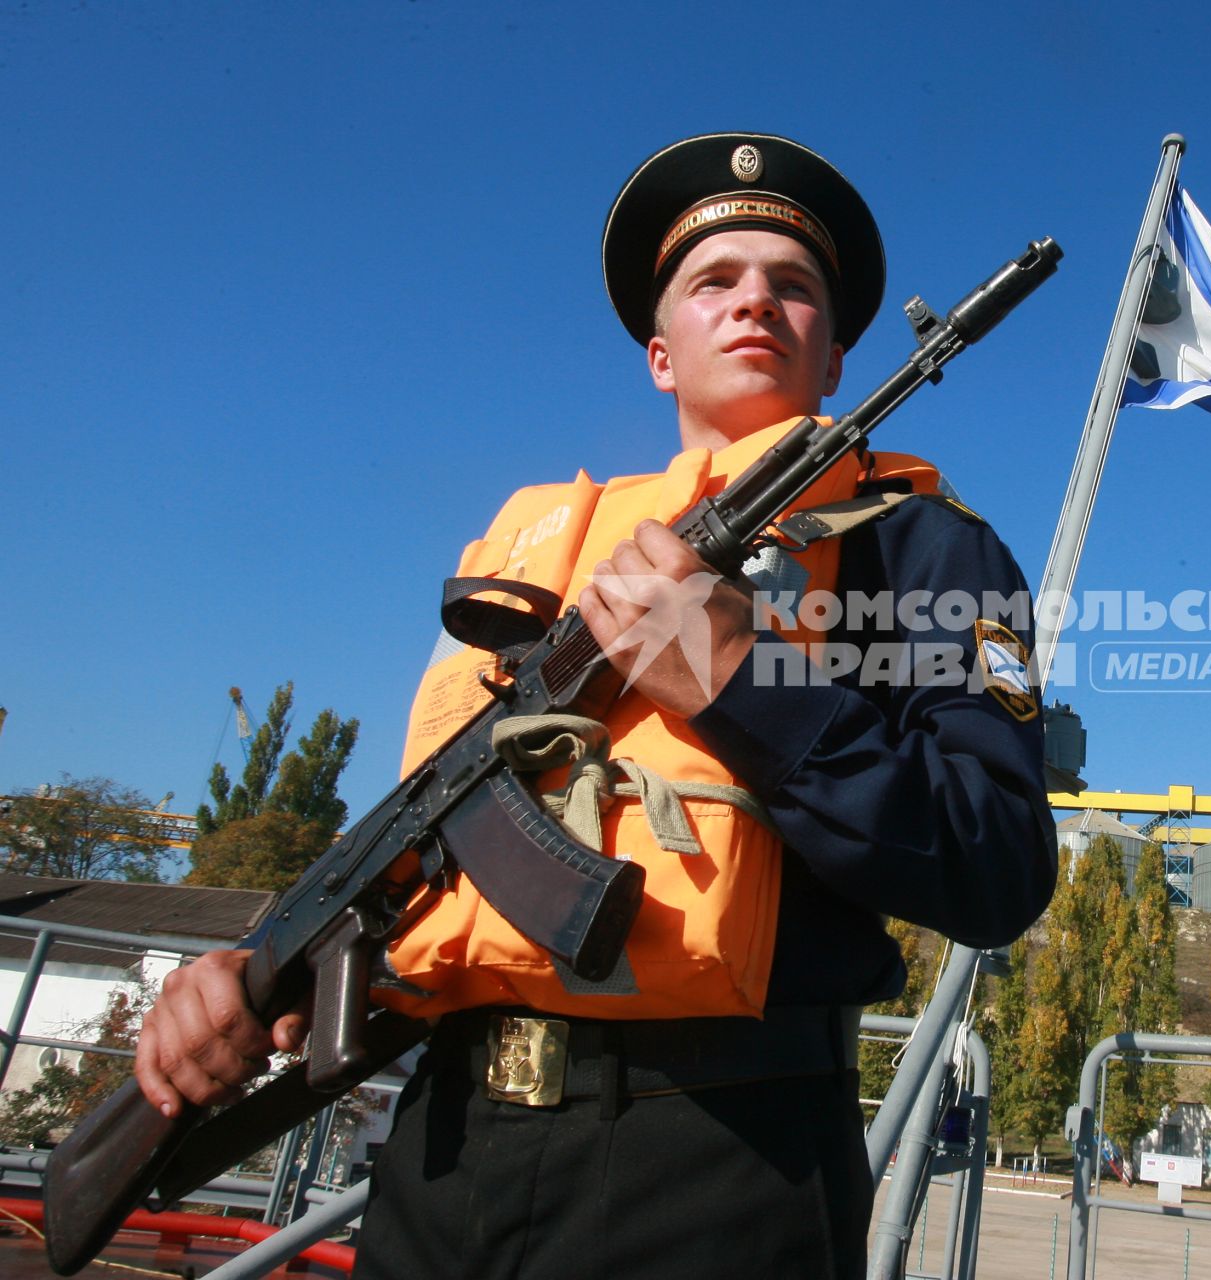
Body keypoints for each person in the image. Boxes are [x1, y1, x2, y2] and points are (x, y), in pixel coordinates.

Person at [133, 132, 1057, 1278]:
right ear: (661, 355)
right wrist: (248, 969)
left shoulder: (923, 549)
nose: (756, 300)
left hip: (724, 1156)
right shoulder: (539, 557)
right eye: (715, 281)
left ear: (838, 355)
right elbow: (420, 833)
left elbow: (999, 863)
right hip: (443, 1150)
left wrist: (740, 682)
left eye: (794, 286)